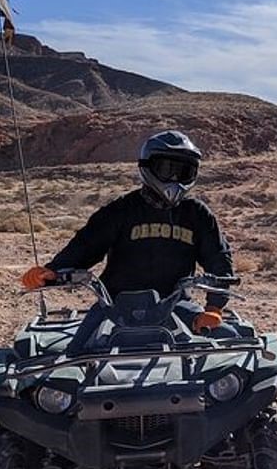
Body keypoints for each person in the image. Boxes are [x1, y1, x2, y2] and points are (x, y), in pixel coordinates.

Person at [20, 130, 237, 353]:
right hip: (114, 306)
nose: (174, 179)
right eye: (166, 169)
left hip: (175, 303)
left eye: (183, 172)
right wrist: (52, 271)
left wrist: (214, 307)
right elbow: (86, 246)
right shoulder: (120, 210)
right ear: (147, 166)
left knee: (232, 348)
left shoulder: (197, 214)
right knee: (73, 356)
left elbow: (218, 259)